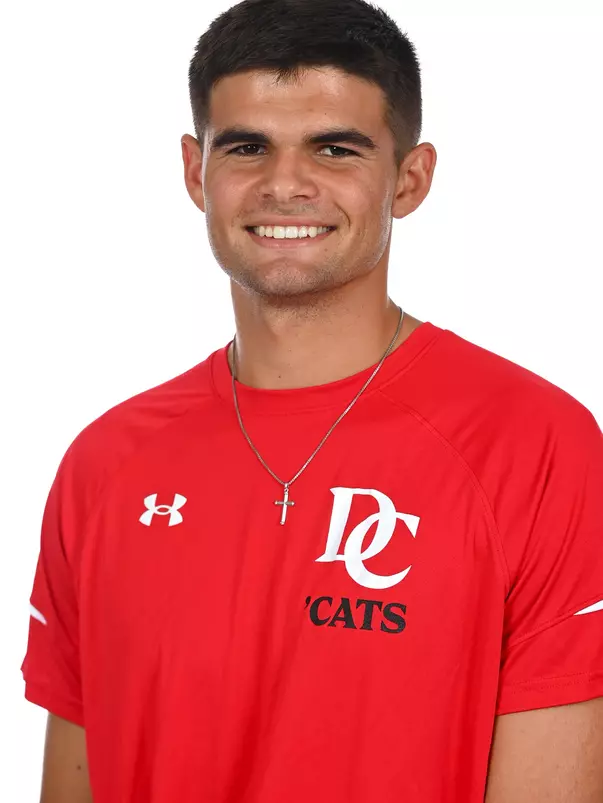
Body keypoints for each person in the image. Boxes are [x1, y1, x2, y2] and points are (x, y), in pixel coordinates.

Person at [21, 0, 603, 801]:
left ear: (410, 178)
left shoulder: (534, 443)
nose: (284, 183)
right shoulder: (104, 463)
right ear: (196, 173)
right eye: (247, 147)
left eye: (335, 149)